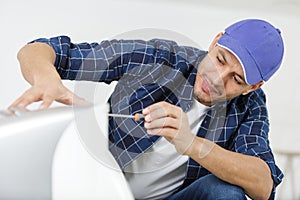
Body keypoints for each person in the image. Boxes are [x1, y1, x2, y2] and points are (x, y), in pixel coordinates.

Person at [10, 19, 284, 199]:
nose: (217, 79)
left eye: (236, 80)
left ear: (253, 87)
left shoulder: (250, 106)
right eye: (220, 60)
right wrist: (46, 79)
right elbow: (38, 50)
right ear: (215, 41)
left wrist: (191, 144)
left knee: (225, 193)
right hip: (101, 189)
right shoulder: (159, 59)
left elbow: (263, 185)